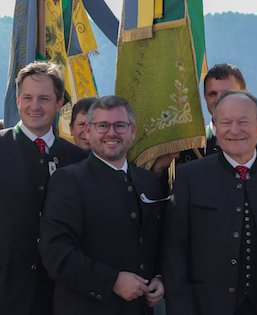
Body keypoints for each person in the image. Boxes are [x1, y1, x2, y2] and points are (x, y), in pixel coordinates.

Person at [0, 61, 88, 315]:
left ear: (59, 104)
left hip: (58, 297)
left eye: (44, 99)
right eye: (28, 97)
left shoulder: (76, 158)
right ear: (17, 100)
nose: (34, 106)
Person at [162, 90, 257, 315]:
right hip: (206, 307)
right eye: (226, 123)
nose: (234, 130)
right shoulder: (189, 176)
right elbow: (175, 254)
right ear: (214, 125)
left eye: (243, 122)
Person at [38, 96, 166, 314]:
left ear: (133, 130)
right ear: (88, 130)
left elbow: (160, 241)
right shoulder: (68, 180)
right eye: (103, 126)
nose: (111, 133)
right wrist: (112, 280)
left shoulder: (149, 181)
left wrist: (161, 278)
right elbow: (56, 253)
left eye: (120, 125)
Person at [176, 63, 257, 164]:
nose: (219, 100)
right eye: (212, 94)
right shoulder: (184, 150)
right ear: (205, 98)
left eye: (227, 93)